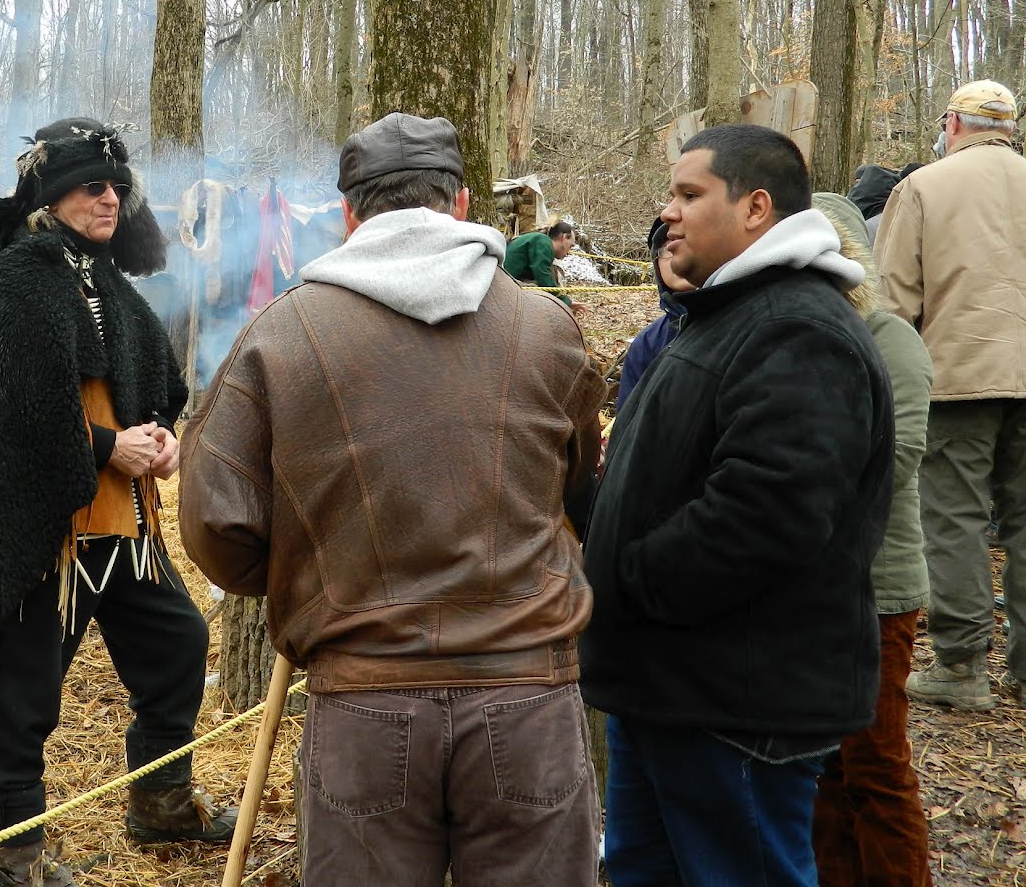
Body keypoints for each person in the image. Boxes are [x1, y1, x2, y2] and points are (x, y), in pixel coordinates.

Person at [179, 112, 605, 887]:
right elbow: (580, 488)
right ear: (464, 204)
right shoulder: (549, 329)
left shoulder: (280, 336)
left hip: (365, 704)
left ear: (348, 215)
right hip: (527, 700)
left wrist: (303, 574)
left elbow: (217, 524)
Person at [0, 118, 236, 887]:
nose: (111, 199)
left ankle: (160, 805)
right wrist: (102, 449)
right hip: (42, 526)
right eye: (94, 186)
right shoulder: (20, 279)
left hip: (120, 526)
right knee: (25, 699)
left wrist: (158, 439)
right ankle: (13, 861)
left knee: (180, 646)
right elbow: (11, 411)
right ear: (54, 194)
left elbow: (153, 381)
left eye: (118, 187)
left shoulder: (103, 282)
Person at [581, 125, 895, 887]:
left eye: (690, 195)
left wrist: (631, 580)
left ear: (756, 207)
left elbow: (769, 512)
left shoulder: (795, 328)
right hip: (670, 690)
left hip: (738, 706)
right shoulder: (726, 316)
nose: (669, 214)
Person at [875, 79, 1026, 711]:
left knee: (954, 519)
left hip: (957, 380)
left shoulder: (924, 187)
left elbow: (889, 303)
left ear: (954, 124)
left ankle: (962, 665)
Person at [811, 192, 935, 887]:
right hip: (810, 591)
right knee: (822, 763)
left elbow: (899, 458)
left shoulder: (894, 342)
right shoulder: (799, 333)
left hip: (877, 591)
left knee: (876, 763)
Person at [615, 219, 693, 410]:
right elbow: (627, 424)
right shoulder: (648, 343)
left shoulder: (751, 322)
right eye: (666, 250)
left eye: (684, 243)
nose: (676, 256)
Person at [504, 220, 578, 306]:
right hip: (507, 286)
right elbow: (543, 277)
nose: (570, 251)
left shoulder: (539, 240)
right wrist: (565, 301)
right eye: (571, 246)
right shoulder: (543, 242)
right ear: (563, 238)